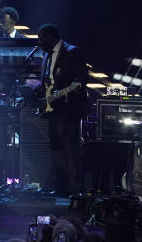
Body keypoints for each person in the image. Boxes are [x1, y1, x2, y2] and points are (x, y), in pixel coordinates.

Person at [36, 23, 88, 196]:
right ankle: (61, 188)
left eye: (41, 38)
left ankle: (75, 191)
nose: (39, 42)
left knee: (70, 150)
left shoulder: (72, 52)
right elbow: (48, 81)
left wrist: (61, 93)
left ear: (50, 37)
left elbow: (81, 80)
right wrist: (40, 91)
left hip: (70, 110)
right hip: (54, 111)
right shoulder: (46, 55)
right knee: (56, 150)